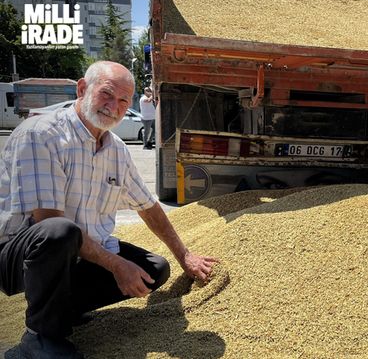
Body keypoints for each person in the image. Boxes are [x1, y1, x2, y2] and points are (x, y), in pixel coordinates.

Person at [0, 61, 217, 358]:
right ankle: (39, 337)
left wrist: (185, 256)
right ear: (82, 89)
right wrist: (117, 265)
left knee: (154, 270)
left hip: (74, 251)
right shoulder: (41, 134)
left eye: (124, 101)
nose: (114, 107)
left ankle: (63, 310)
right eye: (107, 95)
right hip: (20, 253)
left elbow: (149, 207)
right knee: (60, 232)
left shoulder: (115, 148)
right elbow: (47, 223)